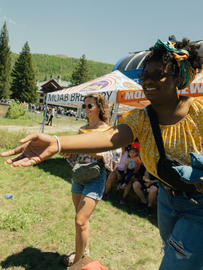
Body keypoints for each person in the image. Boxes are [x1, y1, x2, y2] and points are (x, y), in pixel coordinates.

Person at [1, 36, 203, 269]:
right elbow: (109, 137)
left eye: (157, 74)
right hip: (167, 201)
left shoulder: (202, 111)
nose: (147, 80)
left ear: (178, 78)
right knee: (178, 257)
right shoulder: (142, 118)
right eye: (145, 74)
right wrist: (57, 143)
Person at [56, 93, 121, 266]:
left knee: (80, 220)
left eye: (89, 106)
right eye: (85, 106)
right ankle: (84, 251)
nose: (86, 109)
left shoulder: (108, 130)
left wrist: (87, 149)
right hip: (79, 175)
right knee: (81, 220)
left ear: (99, 107)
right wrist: (68, 153)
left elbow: (114, 155)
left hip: (95, 178)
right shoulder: (82, 129)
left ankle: (78, 262)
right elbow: (75, 155)